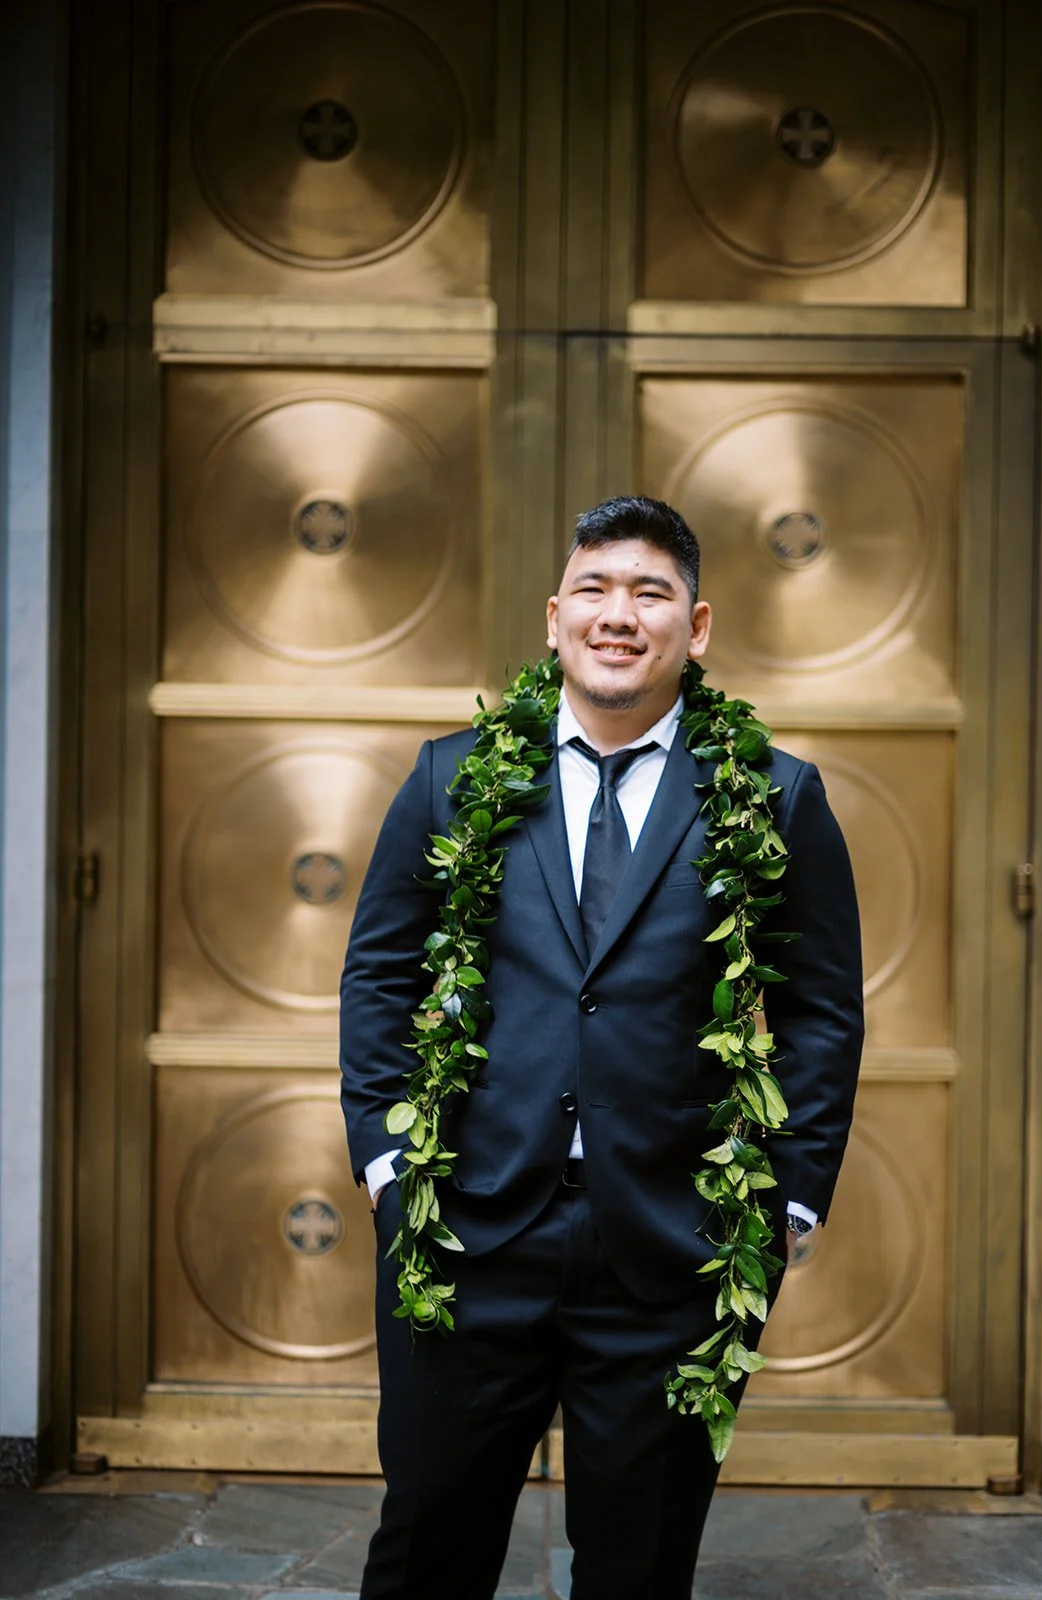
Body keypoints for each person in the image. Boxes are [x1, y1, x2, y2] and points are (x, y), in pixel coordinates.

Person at [339, 495, 864, 1600]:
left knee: (638, 1568)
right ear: (554, 616)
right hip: (468, 1239)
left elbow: (818, 1009)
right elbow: (381, 973)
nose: (619, 614)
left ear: (698, 624)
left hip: (673, 1251)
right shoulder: (456, 776)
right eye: (595, 588)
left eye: (650, 592)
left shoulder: (774, 795)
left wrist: (786, 1203)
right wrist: (391, 1169)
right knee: (428, 1545)